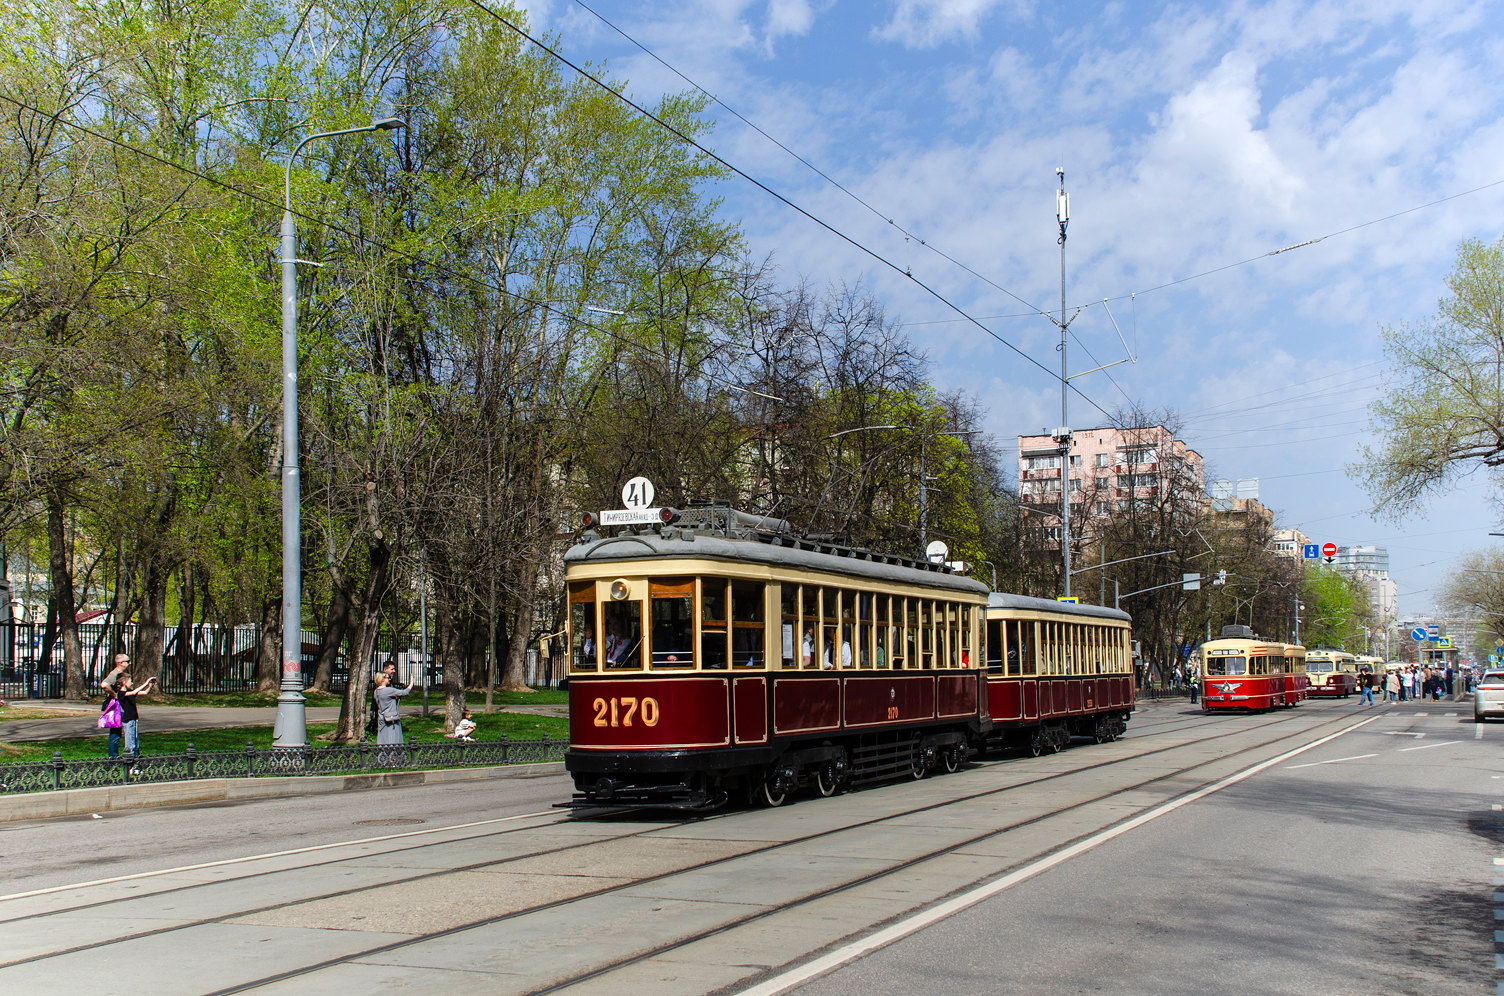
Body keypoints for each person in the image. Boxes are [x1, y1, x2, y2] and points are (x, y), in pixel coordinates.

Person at [116, 672, 156, 774]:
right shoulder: (121, 693)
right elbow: (133, 693)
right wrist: (146, 682)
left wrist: (149, 686)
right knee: (130, 744)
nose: (132, 682)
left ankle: (135, 765)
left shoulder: (130, 691)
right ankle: (129, 766)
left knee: (136, 744)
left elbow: (144, 693)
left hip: (134, 720)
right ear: (124, 682)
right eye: (130, 681)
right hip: (128, 721)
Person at [373, 670, 415, 745]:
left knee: (383, 738)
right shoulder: (388, 690)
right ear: (382, 679)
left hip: (382, 717)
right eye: (387, 678)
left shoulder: (376, 691)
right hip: (392, 719)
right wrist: (411, 682)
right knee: (394, 738)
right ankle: (394, 755)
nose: (389, 679)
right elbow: (405, 692)